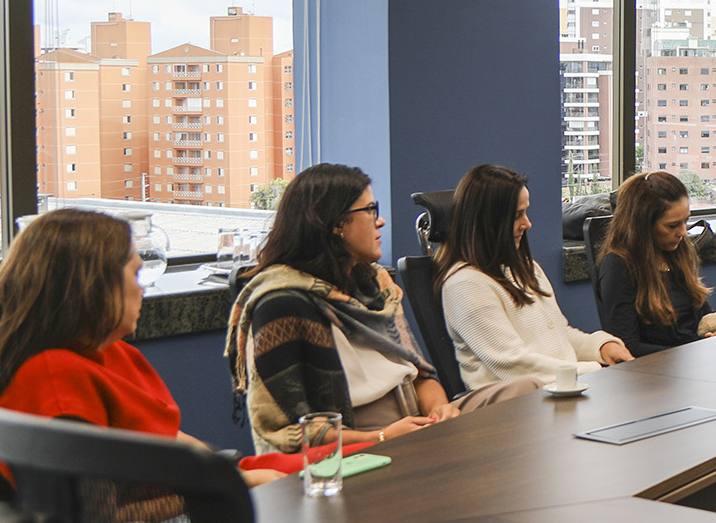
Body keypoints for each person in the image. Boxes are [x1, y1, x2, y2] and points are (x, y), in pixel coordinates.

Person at [228, 163, 539, 454]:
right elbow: (287, 430)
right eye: (370, 210)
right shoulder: (282, 305)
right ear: (336, 225)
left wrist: (439, 410)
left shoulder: (375, 283)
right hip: (362, 440)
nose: (381, 220)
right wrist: (380, 437)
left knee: (526, 391)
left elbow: (419, 373)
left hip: (416, 422)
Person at [0, 209, 280, 485]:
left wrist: (235, 472)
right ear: (93, 286)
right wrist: (237, 484)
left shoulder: (111, 352)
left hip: (197, 488)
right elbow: (100, 513)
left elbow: (165, 438)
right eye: (134, 274)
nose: (142, 286)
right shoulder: (56, 377)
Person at [438, 163, 632, 389]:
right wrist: (592, 371)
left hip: (557, 391)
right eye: (517, 215)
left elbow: (561, 335)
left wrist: (600, 347)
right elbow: (513, 365)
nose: (527, 224)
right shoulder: (465, 285)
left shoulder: (527, 268)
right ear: (489, 222)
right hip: (510, 407)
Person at [595, 171, 716, 357]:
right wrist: (694, 352)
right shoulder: (618, 266)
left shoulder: (678, 252)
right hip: (654, 374)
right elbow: (626, 348)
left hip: (695, 362)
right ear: (643, 226)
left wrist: (715, 336)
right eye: (672, 225)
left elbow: (702, 317)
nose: (683, 232)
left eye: (685, 221)